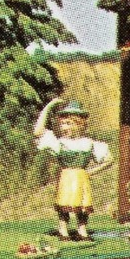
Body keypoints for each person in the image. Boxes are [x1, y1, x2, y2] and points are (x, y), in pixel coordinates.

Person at [33, 98, 113, 241]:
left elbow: (109, 160)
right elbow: (38, 132)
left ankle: (82, 229)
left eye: (68, 123)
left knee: (83, 205)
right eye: (62, 123)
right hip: (66, 177)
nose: (64, 127)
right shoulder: (60, 143)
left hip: (82, 178)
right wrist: (49, 106)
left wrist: (92, 171)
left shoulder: (88, 143)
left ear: (79, 124)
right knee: (65, 202)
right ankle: (63, 229)